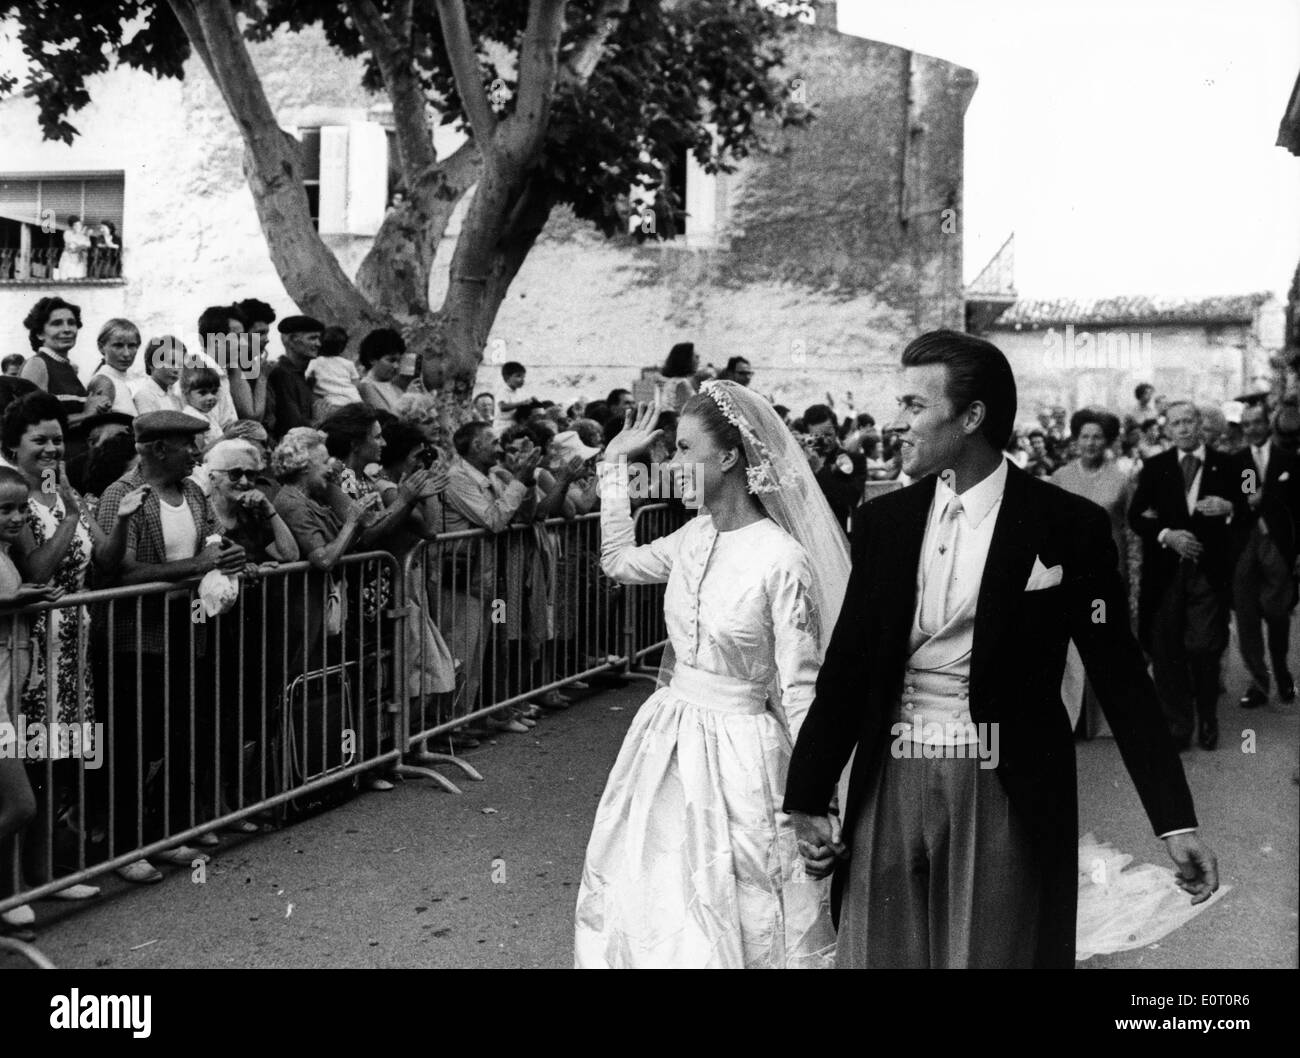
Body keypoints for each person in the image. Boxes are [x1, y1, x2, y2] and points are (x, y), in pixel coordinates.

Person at [784, 330, 1218, 969]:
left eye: (913, 406)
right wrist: (808, 798)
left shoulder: (1067, 525)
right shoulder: (884, 522)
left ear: (971, 417)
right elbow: (847, 668)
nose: (895, 424)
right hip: (889, 785)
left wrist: (1174, 822)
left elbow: (1121, 679)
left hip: (1003, 787)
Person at [575, 385, 847, 968]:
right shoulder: (693, 535)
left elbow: (802, 690)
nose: (671, 465)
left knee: (748, 902)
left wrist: (817, 796)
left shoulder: (781, 558)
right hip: (668, 737)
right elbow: (618, 562)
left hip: (744, 751)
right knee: (656, 891)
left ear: (728, 459)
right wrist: (615, 468)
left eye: (683, 449)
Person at [93, 411, 246, 880]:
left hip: (189, 630)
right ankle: (125, 847)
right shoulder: (122, 496)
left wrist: (229, 558)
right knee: (132, 744)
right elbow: (123, 571)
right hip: (135, 638)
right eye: (189, 445)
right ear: (159, 448)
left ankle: (168, 832)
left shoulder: (195, 493)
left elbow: (209, 545)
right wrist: (198, 564)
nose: (198, 454)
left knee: (179, 733)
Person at [1129, 401, 1242, 751]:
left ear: (1200, 424)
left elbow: (1250, 505)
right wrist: (1167, 535)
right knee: (1165, 649)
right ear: (1168, 429)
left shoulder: (1229, 465)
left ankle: (1208, 716)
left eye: (1189, 421)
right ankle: (1178, 725)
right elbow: (1136, 516)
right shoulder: (1155, 467)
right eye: (1176, 423)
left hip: (1208, 573)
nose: (1183, 429)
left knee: (1204, 648)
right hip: (1166, 575)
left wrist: (1230, 508)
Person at [0, 468, 65, 936]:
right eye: (5, 509)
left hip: (7, 696)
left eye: (21, 508)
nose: (17, 517)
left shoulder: (6, 556)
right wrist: (14, 602)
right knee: (22, 805)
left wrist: (24, 598)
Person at [1050, 409, 1132, 738]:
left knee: (1105, 641)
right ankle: (1073, 718)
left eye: (1097, 436)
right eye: (1084, 436)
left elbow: (1130, 527)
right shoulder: (1059, 477)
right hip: (1071, 573)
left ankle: (1104, 720)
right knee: (1071, 647)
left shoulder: (1122, 479)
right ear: (1075, 439)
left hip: (1109, 571)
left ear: (1108, 441)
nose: (1091, 442)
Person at [1232, 404, 1300, 708]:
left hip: (1279, 548)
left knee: (1277, 614)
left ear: (1268, 424)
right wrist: (1248, 501)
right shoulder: (1238, 462)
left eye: (1258, 422)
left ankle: (1281, 671)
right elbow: (1243, 500)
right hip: (1246, 548)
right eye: (1247, 425)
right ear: (1242, 429)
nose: (1253, 429)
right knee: (1246, 618)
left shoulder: (1290, 460)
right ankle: (1259, 681)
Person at [19, 298, 110, 430]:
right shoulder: (38, 364)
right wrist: (86, 414)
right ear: (39, 333)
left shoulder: (66, 367)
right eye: (57, 323)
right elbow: (34, 423)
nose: (67, 329)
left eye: (72, 323)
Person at [802, 403, 866, 532]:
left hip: (837, 532)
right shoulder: (801, 458)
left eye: (828, 434)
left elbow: (852, 498)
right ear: (807, 435)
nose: (824, 441)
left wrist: (820, 470)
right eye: (816, 436)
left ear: (836, 430)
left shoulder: (855, 459)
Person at [196, 304, 259, 427]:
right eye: (238, 337)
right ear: (216, 341)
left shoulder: (221, 372)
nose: (244, 343)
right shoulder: (200, 375)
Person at [266, 315, 323, 438]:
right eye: (312, 338)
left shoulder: (300, 376)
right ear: (291, 340)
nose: (318, 344)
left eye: (319, 338)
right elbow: (293, 426)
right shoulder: (282, 374)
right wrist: (320, 420)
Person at [88, 319, 143, 417]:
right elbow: (97, 427)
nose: (126, 353)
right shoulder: (104, 381)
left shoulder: (126, 381)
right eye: (118, 346)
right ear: (101, 347)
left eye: (131, 346)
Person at [307, 325, 362, 417]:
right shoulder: (348, 363)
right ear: (342, 348)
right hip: (354, 401)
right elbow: (356, 383)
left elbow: (307, 380)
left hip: (332, 404)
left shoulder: (314, 363)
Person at [130, 336, 185, 417]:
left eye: (180, 364)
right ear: (151, 364)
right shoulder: (145, 396)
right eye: (171, 363)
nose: (176, 369)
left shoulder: (175, 398)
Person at [357, 329, 407, 415]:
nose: (396, 366)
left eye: (399, 361)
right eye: (391, 360)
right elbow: (387, 419)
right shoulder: (365, 387)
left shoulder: (396, 388)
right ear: (372, 359)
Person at [179, 363, 226, 452]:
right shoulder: (192, 418)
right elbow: (199, 454)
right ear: (186, 393)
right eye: (203, 393)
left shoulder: (207, 414)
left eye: (214, 392)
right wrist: (227, 437)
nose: (210, 397)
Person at [655, 342, 698, 413]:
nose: (698, 361)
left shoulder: (673, 381)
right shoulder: (681, 383)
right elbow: (683, 411)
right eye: (695, 357)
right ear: (686, 359)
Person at [494, 361, 533, 434]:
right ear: (507, 378)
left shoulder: (518, 392)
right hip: (502, 426)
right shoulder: (502, 391)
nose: (522, 379)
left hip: (514, 424)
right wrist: (521, 403)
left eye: (523, 377)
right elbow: (502, 406)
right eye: (518, 376)